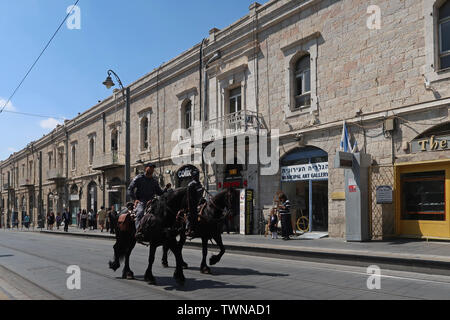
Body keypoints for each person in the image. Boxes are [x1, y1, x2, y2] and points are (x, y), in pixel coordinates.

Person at [127, 163, 165, 240]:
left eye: (153, 168)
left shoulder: (154, 181)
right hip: (141, 200)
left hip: (152, 201)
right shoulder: (138, 178)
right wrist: (135, 199)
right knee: (140, 212)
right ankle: (138, 231)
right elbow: (130, 189)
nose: (151, 169)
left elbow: (159, 192)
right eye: (150, 167)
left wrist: (166, 190)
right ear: (146, 168)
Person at [185, 168, 204, 238]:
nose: (197, 177)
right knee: (191, 215)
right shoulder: (191, 184)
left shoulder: (199, 183)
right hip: (193, 203)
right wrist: (190, 207)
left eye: (198, 175)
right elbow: (189, 197)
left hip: (200, 201)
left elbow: (201, 193)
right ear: (193, 176)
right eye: (196, 175)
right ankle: (189, 229)